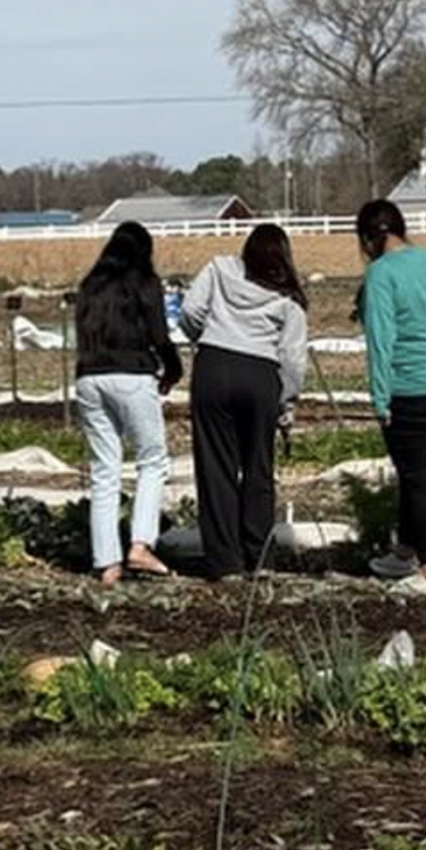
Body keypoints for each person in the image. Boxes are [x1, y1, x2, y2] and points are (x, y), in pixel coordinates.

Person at [354, 199, 426, 595]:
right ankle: (404, 551)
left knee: (420, 478)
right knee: (413, 469)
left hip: (411, 387)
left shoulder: (381, 275)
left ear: (369, 238)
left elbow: (381, 338)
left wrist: (380, 397)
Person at [180, 224, 309, 579]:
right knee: (258, 467)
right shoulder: (289, 296)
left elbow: (190, 310)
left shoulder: (219, 268)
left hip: (214, 366)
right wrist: (286, 400)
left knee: (216, 467)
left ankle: (225, 562)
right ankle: (260, 556)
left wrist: (204, 335)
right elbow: (293, 358)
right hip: (261, 374)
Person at [72, 222, 181, 586]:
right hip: (131, 375)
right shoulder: (143, 283)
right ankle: (141, 544)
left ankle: (107, 563)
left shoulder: (90, 287)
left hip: (89, 378)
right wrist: (173, 368)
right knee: (152, 459)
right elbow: (159, 335)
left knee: (105, 468)